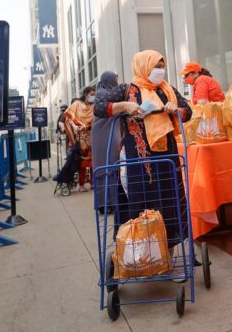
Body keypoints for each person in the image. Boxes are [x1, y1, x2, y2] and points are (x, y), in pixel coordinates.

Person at [94, 50, 192, 250]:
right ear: (143, 67)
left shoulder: (167, 90)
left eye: (162, 67)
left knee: (168, 199)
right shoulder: (126, 90)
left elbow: (188, 112)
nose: (160, 71)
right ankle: (139, 251)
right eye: (156, 66)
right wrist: (124, 106)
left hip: (167, 157)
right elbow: (99, 107)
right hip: (138, 159)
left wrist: (176, 110)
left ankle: (167, 250)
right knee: (140, 200)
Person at [91, 71, 124, 213]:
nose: (117, 82)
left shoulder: (104, 92)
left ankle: (109, 203)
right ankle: (107, 203)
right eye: (115, 79)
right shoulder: (104, 93)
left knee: (109, 165)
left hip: (110, 131)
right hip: (104, 133)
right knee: (108, 165)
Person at [63, 88, 95, 191]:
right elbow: (67, 119)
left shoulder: (95, 106)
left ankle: (93, 183)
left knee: (93, 162)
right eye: (91, 94)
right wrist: (74, 127)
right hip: (81, 138)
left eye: (94, 94)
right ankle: (81, 184)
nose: (93, 96)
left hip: (93, 136)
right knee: (82, 163)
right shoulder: (77, 104)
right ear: (85, 94)